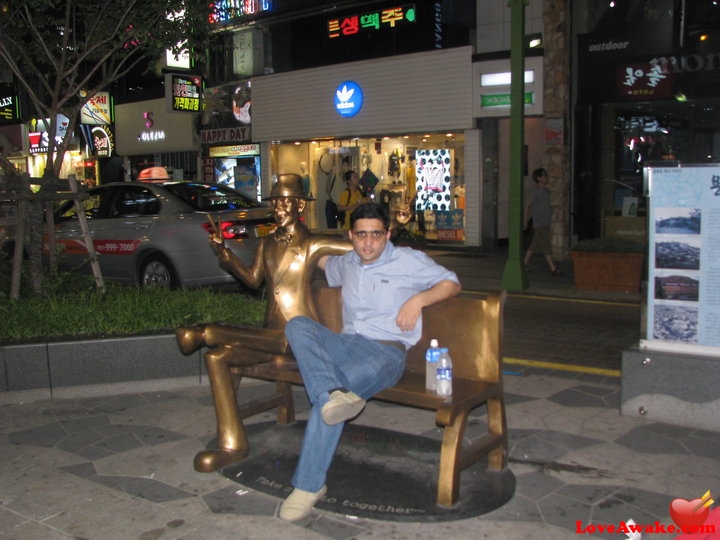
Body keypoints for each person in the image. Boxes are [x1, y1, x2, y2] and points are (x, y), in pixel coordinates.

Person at [278, 202, 461, 521]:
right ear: (351, 235)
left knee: (335, 400)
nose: (368, 242)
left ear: (387, 234)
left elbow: (451, 282)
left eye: (376, 234)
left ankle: (308, 486)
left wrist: (418, 300)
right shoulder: (347, 262)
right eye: (361, 234)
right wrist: (290, 241)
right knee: (297, 326)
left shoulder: (407, 259)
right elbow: (318, 259)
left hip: (386, 352)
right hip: (345, 343)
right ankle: (329, 391)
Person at [176, 174, 350, 472]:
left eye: (285, 202)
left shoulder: (312, 243)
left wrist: (391, 229)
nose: (278, 208)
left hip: (302, 339)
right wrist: (224, 254)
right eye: (275, 202)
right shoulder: (267, 243)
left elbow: (364, 249)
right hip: (269, 335)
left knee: (271, 338)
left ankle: (207, 331)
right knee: (217, 357)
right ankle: (232, 445)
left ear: (298, 206)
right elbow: (253, 281)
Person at [523, 167, 562, 276]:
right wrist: (525, 221)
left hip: (546, 222)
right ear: (539, 178)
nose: (547, 178)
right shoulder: (535, 192)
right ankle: (553, 268)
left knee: (534, 245)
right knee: (545, 246)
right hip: (539, 223)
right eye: (545, 176)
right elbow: (527, 206)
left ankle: (524, 263)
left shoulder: (547, 192)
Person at [337, 170, 366, 234]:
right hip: (348, 227)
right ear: (349, 181)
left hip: (359, 225)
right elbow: (339, 207)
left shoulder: (359, 191)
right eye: (355, 178)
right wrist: (354, 206)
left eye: (357, 177)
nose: (357, 179)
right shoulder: (346, 193)